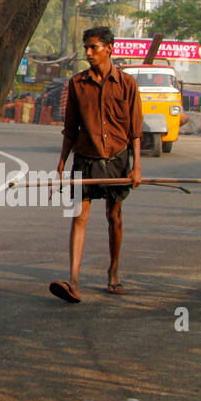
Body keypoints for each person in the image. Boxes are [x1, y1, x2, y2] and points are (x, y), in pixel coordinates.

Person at [50, 26, 143, 302]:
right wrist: (61, 163)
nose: (88, 53)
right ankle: (74, 281)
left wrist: (137, 167)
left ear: (109, 49)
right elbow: (70, 129)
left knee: (114, 216)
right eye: (87, 47)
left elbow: (135, 132)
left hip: (117, 159)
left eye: (94, 47)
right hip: (85, 160)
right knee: (79, 217)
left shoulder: (127, 84)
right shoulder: (77, 84)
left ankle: (113, 273)